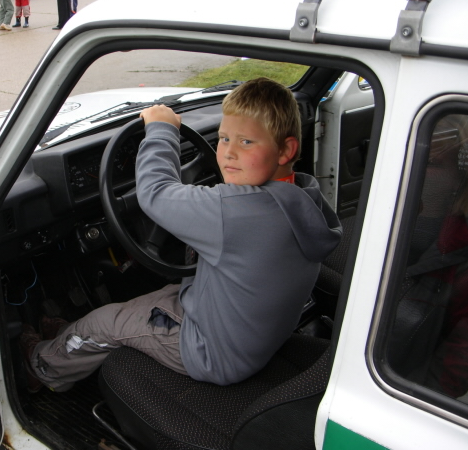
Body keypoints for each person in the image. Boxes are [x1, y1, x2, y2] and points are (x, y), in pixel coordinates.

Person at [19, 77, 342, 392]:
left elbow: (155, 193)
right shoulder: (304, 198)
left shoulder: (231, 212)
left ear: (286, 150)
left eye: (246, 142)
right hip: (249, 333)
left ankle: (42, 366)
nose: (228, 153)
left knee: (103, 323)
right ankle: (68, 339)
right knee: (150, 299)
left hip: (208, 352)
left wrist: (160, 128)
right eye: (224, 138)